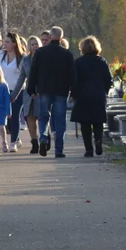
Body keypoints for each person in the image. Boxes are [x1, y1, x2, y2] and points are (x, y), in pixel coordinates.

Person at [26, 26, 76, 158]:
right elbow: (72, 75)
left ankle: (42, 137)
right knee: (60, 120)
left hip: (44, 90)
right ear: (61, 38)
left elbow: (33, 72)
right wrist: (73, 92)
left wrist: (31, 89)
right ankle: (58, 150)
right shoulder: (67, 54)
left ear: (50, 36)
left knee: (43, 116)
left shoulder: (40, 53)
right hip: (61, 91)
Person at [71, 35, 113, 157]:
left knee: (85, 124)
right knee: (98, 121)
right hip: (98, 95)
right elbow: (108, 79)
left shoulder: (78, 62)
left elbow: (74, 80)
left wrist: (74, 94)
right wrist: (104, 90)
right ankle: (98, 140)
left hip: (83, 96)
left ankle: (89, 149)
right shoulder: (102, 61)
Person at [0, 32, 26, 152]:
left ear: (14, 44)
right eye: (5, 41)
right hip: (3, 89)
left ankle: (13, 142)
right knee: (6, 117)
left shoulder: (22, 58)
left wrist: (15, 93)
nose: (5, 44)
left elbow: (23, 76)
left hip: (18, 90)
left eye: (8, 42)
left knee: (14, 115)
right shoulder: (0, 55)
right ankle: (17, 137)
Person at [16, 35, 40, 154]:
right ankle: (34, 142)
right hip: (29, 93)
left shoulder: (44, 58)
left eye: (36, 44)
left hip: (42, 92)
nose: (35, 46)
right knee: (30, 118)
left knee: (42, 117)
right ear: (29, 47)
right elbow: (21, 78)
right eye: (32, 44)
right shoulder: (26, 60)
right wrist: (14, 94)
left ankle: (45, 137)